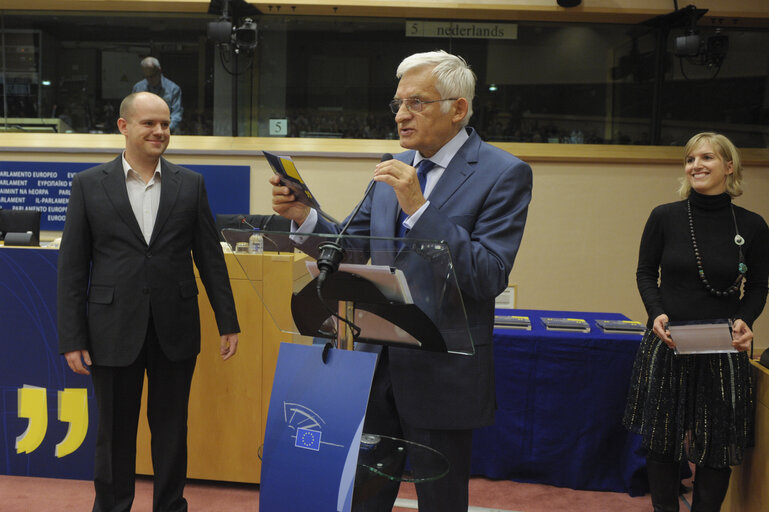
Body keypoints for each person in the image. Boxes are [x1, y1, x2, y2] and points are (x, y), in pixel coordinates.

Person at [270, 50, 532, 511]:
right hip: (373, 366)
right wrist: (304, 217)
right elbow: (350, 249)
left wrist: (421, 209)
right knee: (366, 498)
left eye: (417, 102)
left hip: (443, 367)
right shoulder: (395, 167)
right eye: (397, 103)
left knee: (440, 501)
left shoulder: (503, 173)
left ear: (458, 108)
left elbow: (488, 274)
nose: (402, 115)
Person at [57, 91, 240, 512]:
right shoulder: (88, 185)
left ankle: (171, 506)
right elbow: (71, 268)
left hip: (174, 329)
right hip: (111, 329)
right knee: (115, 433)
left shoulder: (190, 185)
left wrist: (227, 321)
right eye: (149, 124)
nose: (160, 131)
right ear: (124, 127)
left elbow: (210, 258)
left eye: (165, 124)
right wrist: (72, 337)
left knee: (172, 430)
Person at [624, 132, 769, 512]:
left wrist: (744, 319)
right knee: (662, 441)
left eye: (706, 158)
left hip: (722, 346)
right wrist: (656, 312)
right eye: (690, 159)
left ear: (729, 166)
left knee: (716, 445)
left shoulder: (752, 226)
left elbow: (756, 286)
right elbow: (644, 272)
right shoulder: (664, 217)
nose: (696, 166)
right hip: (667, 342)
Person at [132, 57, 183, 133]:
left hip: (167, 130)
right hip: (143, 130)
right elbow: (132, 112)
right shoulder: (138, 88)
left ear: (159, 71)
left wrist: (164, 130)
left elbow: (176, 114)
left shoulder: (173, 89)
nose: (150, 80)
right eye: (146, 77)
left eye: (152, 76)